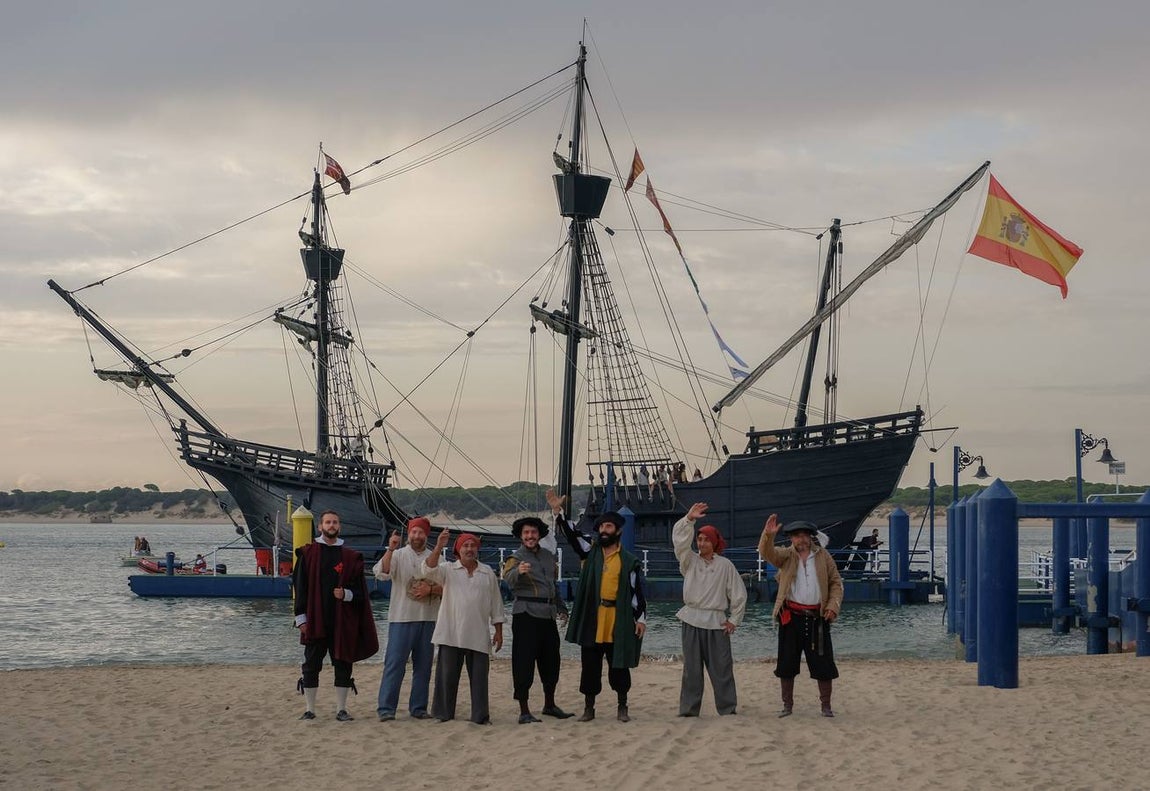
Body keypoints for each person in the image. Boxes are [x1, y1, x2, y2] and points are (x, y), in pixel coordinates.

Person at [549, 489, 646, 723]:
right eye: (602, 527)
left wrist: (640, 619)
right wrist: (558, 512)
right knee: (590, 666)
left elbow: (636, 592)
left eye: (609, 527)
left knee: (619, 666)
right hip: (593, 618)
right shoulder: (590, 552)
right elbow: (573, 535)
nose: (604, 531)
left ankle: (622, 706)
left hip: (618, 619)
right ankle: (589, 708)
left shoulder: (629, 561)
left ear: (618, 531)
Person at [293, 510, 379, 722]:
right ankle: (310, 709)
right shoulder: (308, 553)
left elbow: (361, 593)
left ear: (339, 527)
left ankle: (341, 709)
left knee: (343, 663)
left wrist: (346, 594)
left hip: (342, 621)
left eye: (335, 522)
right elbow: (299, 586)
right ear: (320, 526)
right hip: (315, 618)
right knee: (311, 664)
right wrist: (300, 618)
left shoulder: (350, 557)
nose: (331, 526)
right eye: (328, 522)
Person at [758, 515, 843, 718]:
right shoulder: (786, 556)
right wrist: (767, 536)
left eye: (804, 535)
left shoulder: (824, 557)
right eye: (796, 536)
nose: (801, 540)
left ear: (811, 537)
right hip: (791, 618)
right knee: (786, 664)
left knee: (823, 664)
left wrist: (832, 606)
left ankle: (826, 706)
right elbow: (767, 553)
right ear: (791, 539)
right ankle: (787, 706)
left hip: (818, 618)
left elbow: (836, 583)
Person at [421, 529, 505, 724]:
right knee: (446, 676)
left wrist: (499, 631)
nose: (469, 549)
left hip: (478, 632)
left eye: (473, 545)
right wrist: (439, 546)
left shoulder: (487, 572)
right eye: (465, 546)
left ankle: (480, 716)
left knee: (479, 678)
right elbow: (427, 569)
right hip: (451, 631)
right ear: (458, 550)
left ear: (477, 549)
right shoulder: (448, 569)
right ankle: (443, 713)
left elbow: (496, 604)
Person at [672, 502, 746, 717]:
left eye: (706, 539)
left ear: (714, 542)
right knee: (692, 670)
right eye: (700, 539)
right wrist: (689, 520)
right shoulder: (689, 561)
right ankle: (689, 710)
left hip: (717, 622)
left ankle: (727, 708)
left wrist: (735, 620)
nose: (702, 542)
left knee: (722, 668)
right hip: (691, 619)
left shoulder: (725, 565)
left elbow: (738, 594)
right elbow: (679, 543)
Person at [502, 516, 573, 723]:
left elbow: (552, 586)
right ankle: (524, 710)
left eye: (533, 532)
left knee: (551, 661)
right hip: (525, 614)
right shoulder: (515, 558)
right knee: (524, 662)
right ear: (521, 536)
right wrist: (519, 572)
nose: (530, 536)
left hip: (548, 613)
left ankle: (549, 705)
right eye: (526, 533)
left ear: (539, 534)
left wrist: (561, 608)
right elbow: (508, 581)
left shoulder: (548, 557)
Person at [372, 517, 442, 722]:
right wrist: (390, 549)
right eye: (413, 532)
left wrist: (430, 589)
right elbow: (382, 573)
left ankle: (418, 707)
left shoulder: (435, 557)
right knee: (394, 664)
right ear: (408, 534)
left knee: (424, 666)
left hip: (428, 619)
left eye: (420, 533)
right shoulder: (398, 554)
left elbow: (447, 584)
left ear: (426, 535)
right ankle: (386, 708)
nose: (417, 536)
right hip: (401, 618)